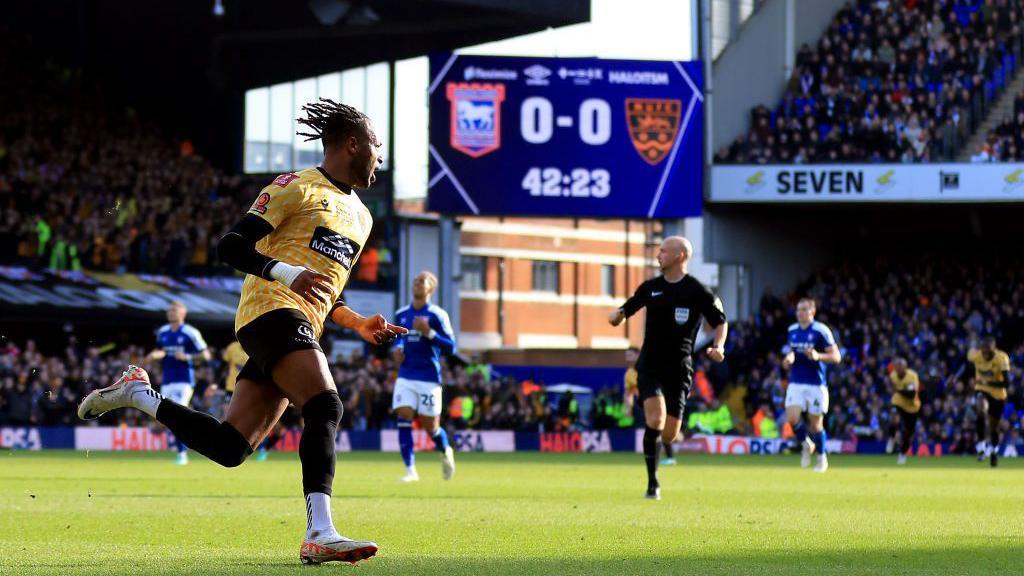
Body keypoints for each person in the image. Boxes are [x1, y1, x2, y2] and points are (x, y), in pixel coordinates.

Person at [79, 99, 406, 565]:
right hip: (268, 311)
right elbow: (229, 245)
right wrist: (283, 272)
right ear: (352, 143)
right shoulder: (295, 187)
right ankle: (320, 532)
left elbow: (328, 292)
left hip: (300, 323)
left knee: (231, 447)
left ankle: (139, 396)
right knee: (325, 403)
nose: (380, 156)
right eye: (376, 145)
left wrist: (357, 323)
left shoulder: (363, 217)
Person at [608, 236, 728, 500]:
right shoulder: (651, 287)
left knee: (671, 434)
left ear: (680, 256)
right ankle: (652, 483)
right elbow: (629, 306)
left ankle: (660, 447)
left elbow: (720, 321)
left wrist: (719, 345)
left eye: (663, 251)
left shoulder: (698, 291)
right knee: (655, 419)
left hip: (680, 367)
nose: (658, 255)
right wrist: (618, 314)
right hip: (650, 363)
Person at [391, 271, 456, 482]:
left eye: (422, 281)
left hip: (429, 377)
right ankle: (410, 470)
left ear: (431, 288)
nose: (417, 283)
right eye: (415, 280)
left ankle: (445, 450)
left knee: (431, 427)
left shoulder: (438, 315)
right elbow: (398, 339)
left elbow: (452, 347)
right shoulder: (401, 314)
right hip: (406, 374)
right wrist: (397, 349)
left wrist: (429, 333)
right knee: (403, 414)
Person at [144, 300, 211, 465]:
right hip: (167, 380)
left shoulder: (190, 332)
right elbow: (161, 351)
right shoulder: (163, 332)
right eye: (169, 310)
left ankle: (182, 454)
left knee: (177, 416)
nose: (170, 313)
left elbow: (206, 355)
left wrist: (188, 357)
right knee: (168, 417)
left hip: (184, 380)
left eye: (174, 310)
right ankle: (185, 447)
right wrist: (155, 355)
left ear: (183, 313)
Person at [781, 298, 842, 473]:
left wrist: (818, 356)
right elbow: (791, 350)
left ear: (812, 312)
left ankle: (822, 459)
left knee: (816, 425)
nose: (800, 312)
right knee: (792, 418)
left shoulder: (821, 331)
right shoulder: (792, 330)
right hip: (796, 381)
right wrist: (789, 358)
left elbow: (836, 357)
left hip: (816, 383)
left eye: (804, 309)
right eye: (798, 309)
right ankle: (806, 444)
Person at [967, 336, 1012, 467]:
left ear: (994, 349)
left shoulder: (1001, 358)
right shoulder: (976, 355)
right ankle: (981, 446)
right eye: (983, 350)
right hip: (982, 389)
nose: (985, 354)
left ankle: (994, 452)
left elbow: (1007, 383)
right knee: (980, 407)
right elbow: (967, 360)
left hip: (998, 395)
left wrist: (988, 382)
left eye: (988, 351)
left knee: (994, 428)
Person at [888, 357, 920, 465]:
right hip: (898, 402)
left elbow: (911, 394)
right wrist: (896, 390)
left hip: (912, 407)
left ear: (905, 368)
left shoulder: (912, 376)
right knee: (893, 417)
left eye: (900, 368)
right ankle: (892, 438)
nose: (898, 370)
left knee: (908, 433)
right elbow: (891, 387)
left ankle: (902, 453)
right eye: (897, 367)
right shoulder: (893, 376)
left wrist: (898, 390)